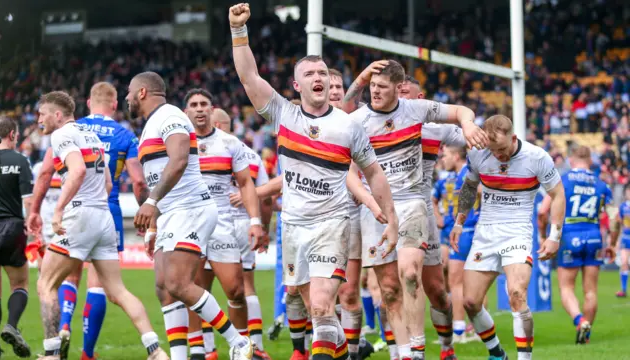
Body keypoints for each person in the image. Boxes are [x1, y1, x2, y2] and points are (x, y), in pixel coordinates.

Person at [229, 4, 399, 360]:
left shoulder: (348, 125)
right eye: (310, 73)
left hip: (332, 224)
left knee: (322, 306)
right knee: (309, 307)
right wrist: (238, 31)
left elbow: (374, 174)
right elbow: (249, 78)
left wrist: (391, 220)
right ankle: (346, 350)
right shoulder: (284, 114)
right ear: (297, 84)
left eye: (322, 71)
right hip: (293, 226)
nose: (318, 77)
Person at [344, 59, 486, 359]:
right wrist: (362, 76)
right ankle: (405, 352)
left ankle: (433, 347)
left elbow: (463, 118)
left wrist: (471, 126)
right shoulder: (358, 121)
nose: (375, 92)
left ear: (401, 90)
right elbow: (348, 163)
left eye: (382, 87)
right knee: (389, 288)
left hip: (413, 204)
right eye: (373, 87)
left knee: (421, 279)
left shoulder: (423, 118)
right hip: (377, 209)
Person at [128, 72, 256, 360]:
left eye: (129, 92)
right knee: (163, 287)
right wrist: (153, 225)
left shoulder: (170, 115)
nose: (126, 98)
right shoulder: (150, 126)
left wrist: (151, 202)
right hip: (171, 212)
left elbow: (179, 159)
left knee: (178, 283)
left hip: (190, 208)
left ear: (142, 92)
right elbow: (156, 175)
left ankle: (239, 343)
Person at [35, 91, 168, 360]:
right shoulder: (92, 137)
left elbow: (77, 170)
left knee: (45, 284)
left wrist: (59, 209)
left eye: (42, 113)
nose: (39, 119)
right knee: (118, 291)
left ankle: (50, 354)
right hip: (104, 218)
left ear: (57, 115)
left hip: (80, 216)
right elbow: (108, 183)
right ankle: (156, 350)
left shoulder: (62, 135)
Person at [451, 115, 565, 360]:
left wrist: (554, 236)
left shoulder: (537, 157)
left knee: (516, 293)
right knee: (470, 301)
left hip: (518, 231)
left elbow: (558, 194)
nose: (499, 156)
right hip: (486, 233)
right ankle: (496, 352)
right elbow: (469, 188)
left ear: (513, 138)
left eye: (502, 149)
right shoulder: (478, 154)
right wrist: (459, 222)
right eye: (494, 151)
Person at [181, 88, 266, 360]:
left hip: (222, 222)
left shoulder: (230, 143)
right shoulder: (177, 143)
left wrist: (255, 221)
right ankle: (197, 351)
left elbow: (245, 184)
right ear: (186, 112)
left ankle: (241, 347)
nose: (199, 108)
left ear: (211, 109)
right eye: (193, 104)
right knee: (193, 289)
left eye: (204, 103)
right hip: (189, 222)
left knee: (236, 289)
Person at [399, 77, 468, 359]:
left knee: (437, 290)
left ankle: (447, 346)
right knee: (394, 285)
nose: (400, 99)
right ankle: (406, 351)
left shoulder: (435, 129)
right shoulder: (377, 123)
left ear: (422, 98)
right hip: (385, 212)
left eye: (406, 93)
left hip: (421, 212)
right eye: (397, 93)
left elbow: (472, 138)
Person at [544, 145, 614, 344]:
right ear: (590, 161)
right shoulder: (601, 185)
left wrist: (544, 235)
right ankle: (587, 335)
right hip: (594, 237)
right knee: (590, 290)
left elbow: (543, 211)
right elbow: (614, 217)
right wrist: (613, 242)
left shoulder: (563, 180)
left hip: (569, 236)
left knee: (566, 288)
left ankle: (579, 319)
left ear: (571, 160)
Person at [0, 117, 33, 358]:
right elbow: (28, 199)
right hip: (12, 227)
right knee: (20, 284)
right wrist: (32, 224)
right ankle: (12, 325)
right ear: (12, 135)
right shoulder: (19, 160)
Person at [441, 145, 482, 345]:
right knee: (477, 281)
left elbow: (481, 191)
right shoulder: (465, 173)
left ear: (457, 156)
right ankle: (477, 328)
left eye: (446, 155)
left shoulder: (466, 172)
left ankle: (458, 331)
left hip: (467, 231)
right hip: (476, 233)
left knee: (455, 282)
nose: (443, 158)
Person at [614, 184, 630, 298]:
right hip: (625, 237)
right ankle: (623, 290)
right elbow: (619, 223)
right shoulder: (623, 206)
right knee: (624, 262)